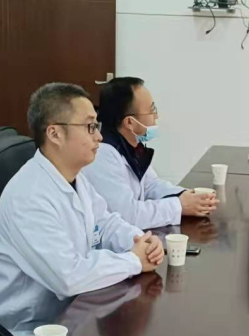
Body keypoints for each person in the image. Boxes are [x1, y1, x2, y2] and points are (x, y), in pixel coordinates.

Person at [0, 83, 165, 336]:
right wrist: (133, 261)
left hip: (67, 321)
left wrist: (138, 240)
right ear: (55, 133)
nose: (99, 136)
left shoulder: (74, 177)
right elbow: (68, 277)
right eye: (89, 127)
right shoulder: (30, 197)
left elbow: (106, 221)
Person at [87, 76, 218, 228]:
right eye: (151, 110)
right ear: (129, 122)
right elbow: (128, 215)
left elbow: (151, 185)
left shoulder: (131, 146)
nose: (156, 116)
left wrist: (187, 195)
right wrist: (179, 205)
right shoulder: (102, 155)